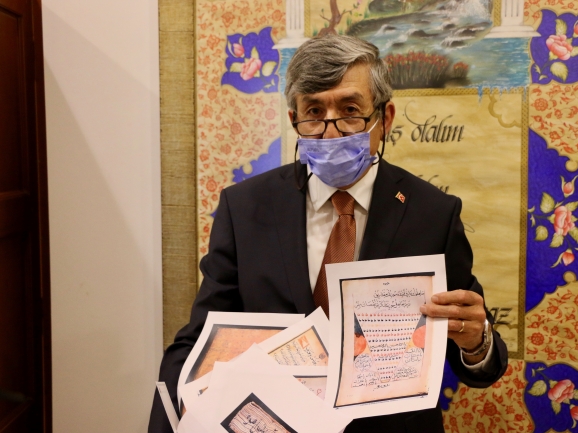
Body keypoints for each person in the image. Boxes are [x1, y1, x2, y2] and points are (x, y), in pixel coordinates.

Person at [149, 34, 508, 432]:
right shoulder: (245, 208)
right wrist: (177, 412)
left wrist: (477, 341)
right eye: (314, 112)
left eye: (350, 111)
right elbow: (201, 338)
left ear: (385, 119)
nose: (331, 133)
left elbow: (478, 361)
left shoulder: (433, 213)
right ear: (294, 120)